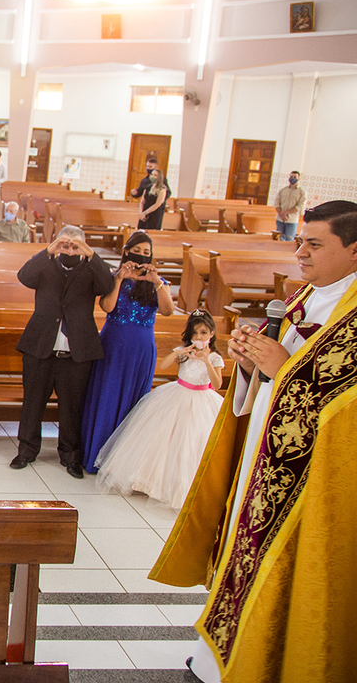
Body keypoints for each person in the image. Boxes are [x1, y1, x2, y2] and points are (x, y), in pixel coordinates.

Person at [152, 200, 357, 683]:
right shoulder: (305, 297)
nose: (299, 253)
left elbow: (341, 412)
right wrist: (249, 365)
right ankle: (220, 657)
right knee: (244, 545)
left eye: (314, 244)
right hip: (260, 456)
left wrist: (284, 369)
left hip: (310, 481)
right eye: (300, 241)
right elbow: (278, 372)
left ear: (354, 250)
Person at [11, 226, 114, 478]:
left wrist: (89, 253)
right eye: (65, 244)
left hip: (76, 351)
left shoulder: (90, 269)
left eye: (75, 245)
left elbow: (107, 284)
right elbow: (24, 276)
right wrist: (49, 250)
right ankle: (26, 450)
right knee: (33, 402)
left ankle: (70, 455)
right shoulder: (46, 266)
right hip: (41, 346)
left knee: (72, 407)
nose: (69, 249)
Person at [94, 310, 224, 509]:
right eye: (195, 333)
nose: (199, 337)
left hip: (201, 400)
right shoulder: (184, 352)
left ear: (212, 334)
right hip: (177, 395)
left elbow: (217, 384)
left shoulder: (214, 357)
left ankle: (181, 487)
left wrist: (206, 361)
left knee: (190, 442)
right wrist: (179, 353)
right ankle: (149, 481)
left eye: (203, 333)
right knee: (161, 438)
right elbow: (163, 365)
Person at [79, 232, 175, 473]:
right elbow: (107, 307)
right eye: (137, 251)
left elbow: (168, 310)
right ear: (126, 252)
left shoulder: (157, 282)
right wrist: (120, 278)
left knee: (134, 401)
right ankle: (96, 453)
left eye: (146, 253)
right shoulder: (114, 277)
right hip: (113, 345)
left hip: (141, 349)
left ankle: (122, 461)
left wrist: (156, 281)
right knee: (108, 396)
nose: (141, 256)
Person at [273, 170, 306, 241]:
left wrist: (286, 213)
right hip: (280, 219)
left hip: (292, 220)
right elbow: (276, 203)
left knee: (289, 240)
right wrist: (281, 214)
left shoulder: (302, 192)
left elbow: (300, 206)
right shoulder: (283, 190)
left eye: (295, 177)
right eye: (291, 177)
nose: (292, 178)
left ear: (299, 178)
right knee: (279, 240)